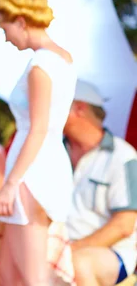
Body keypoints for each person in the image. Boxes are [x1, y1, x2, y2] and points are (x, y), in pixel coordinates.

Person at [0, 0, 76, 285]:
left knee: (31, 277)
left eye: (5, 28)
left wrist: (11, 183)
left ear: (22, 22)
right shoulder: (62, 58)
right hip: (44, 163)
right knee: (8, 273)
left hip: (32, 171)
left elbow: (38, 128)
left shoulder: (40, 66)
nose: (6, 37)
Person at [64, 80, 137, 286]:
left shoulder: (122, 156)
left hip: (111, 252)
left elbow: (124, 225)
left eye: (58, 103)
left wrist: (72, 249)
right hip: (59, 246)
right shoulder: (52, 153)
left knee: (78, 264)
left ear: (79, 108)